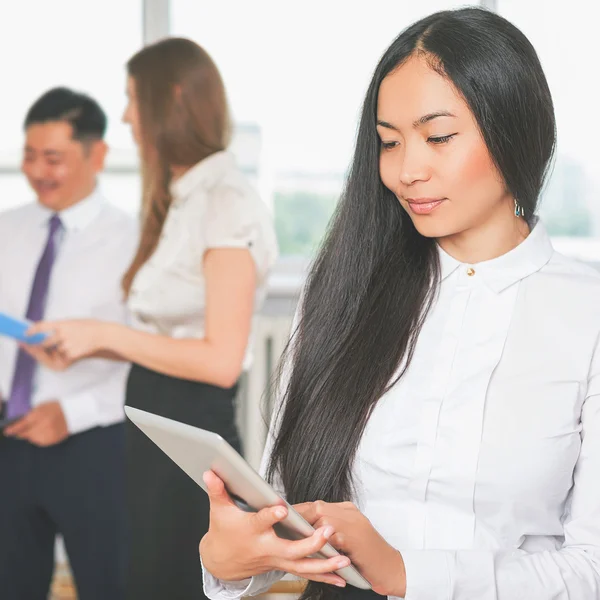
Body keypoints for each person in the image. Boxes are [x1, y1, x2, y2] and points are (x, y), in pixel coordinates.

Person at [198, 7, 600, 600]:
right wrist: (229, 561)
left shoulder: (584, 315)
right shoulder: (342, 289)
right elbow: (285, 512)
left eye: (438, 137)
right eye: (389, 143)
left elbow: (590, 569)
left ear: (515, 127)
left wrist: (410, 575)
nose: (407, 170)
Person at [24, 38, 278, 600]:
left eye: (133, 99)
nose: (125, 117)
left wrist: (108, 335)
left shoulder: (226, 202)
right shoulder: (183, 199)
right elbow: (167, 336)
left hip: (188, 430)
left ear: (173, 99)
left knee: (167, 580)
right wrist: (87, 344)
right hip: (152, 424)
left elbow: (218, 361)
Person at [0, 87, 137, 600]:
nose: (38, 171)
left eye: (53, 157)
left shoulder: (133, 241)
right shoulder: (6, 229)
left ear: (96, 155)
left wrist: (72, 412)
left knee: (109, 584)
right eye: (30, 156)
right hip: (7, 439)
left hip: (93, 442)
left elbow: (146, 358)